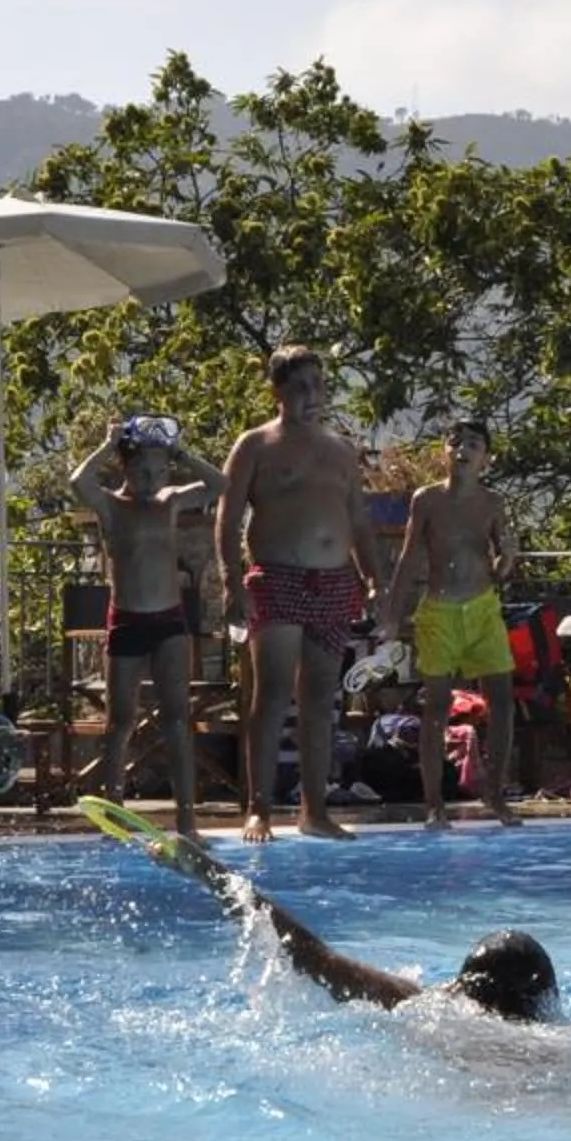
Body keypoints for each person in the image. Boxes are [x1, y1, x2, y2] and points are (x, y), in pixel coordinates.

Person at [130, 813, 559, 1020]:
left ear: (464, 987)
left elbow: (307, 954)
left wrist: (207, 871)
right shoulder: (570, 1045)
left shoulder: (431, 1012)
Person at [217, 346, 382, 843]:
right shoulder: (255, 445)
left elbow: (357, 518)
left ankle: (315, 809)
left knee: (319, 699)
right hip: (276, 579)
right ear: (278, 392)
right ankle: (258, 808)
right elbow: (226, 520)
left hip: (333, 583)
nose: (312, 396)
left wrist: (374, 577)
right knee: (270, 696)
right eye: (300, 388)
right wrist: (229, 580)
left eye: (318, 386)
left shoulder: (339, 450)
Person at [71, 416, 225, 837]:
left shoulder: (171, 501)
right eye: (141, 471)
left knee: (177, 719)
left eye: (159, 471)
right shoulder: (111, 506)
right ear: (124, 468)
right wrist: (107, 444)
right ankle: (114, 815)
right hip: (127, 621)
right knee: (120, 722)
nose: (150, 480)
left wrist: (182, 454)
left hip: (170, 622)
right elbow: (77, 482)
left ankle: (187, 821)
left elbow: (220, 485)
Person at [383, 420, 525, 829]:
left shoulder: (492, 503)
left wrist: (508, 559)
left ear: (486, 458)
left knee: (501, 698)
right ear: (444, 451)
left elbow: (500, 567)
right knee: (437, 706)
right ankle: (434, 805)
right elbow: (409, 559)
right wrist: (392, 615)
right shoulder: (426, 500)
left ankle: (495, 794)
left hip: (482, 608)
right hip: (440, 612)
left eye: (473, 444)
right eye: (456, 442)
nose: (462, 449)